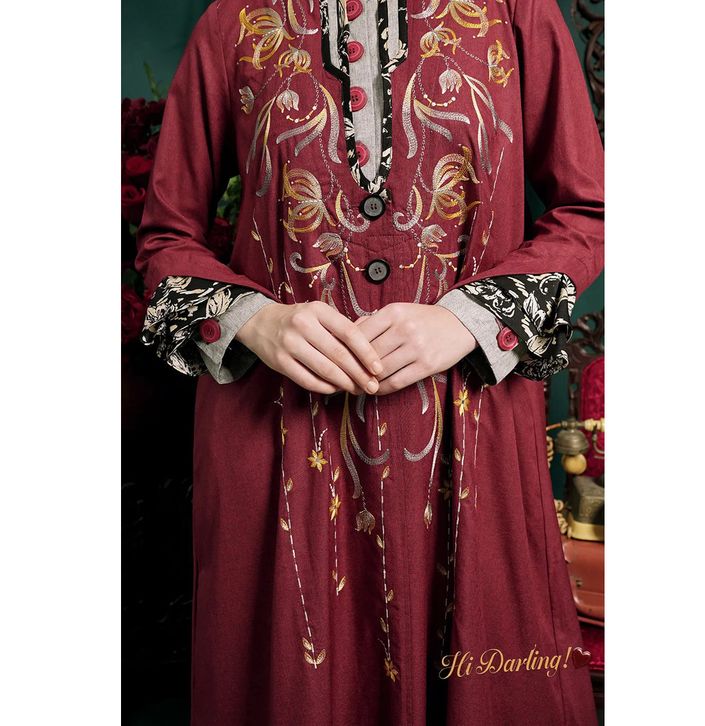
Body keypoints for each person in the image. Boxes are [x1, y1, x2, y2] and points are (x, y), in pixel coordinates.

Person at [135, 0, 604, 723]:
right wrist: (256, 320)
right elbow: (166, 241)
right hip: (278, 436)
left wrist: (468, 320)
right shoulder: (236, 20)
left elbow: (589, 213)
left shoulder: (516, 14)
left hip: (470, 434)